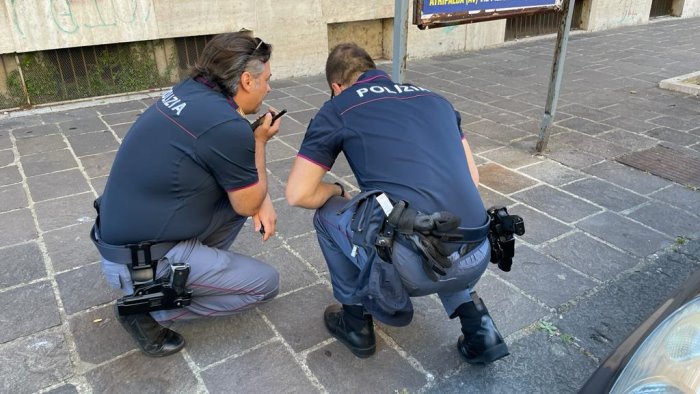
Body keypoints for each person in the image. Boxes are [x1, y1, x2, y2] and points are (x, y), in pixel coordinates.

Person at [285, 43, 509, 364]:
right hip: (478, 251)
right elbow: (472, 178)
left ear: (336, 86)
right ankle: (480, 327)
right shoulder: (435, 99)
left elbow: (298, 193)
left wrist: (336, 190)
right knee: (438, 215)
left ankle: (355, 323)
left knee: (326, 215)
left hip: (413, 269)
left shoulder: (339, 108)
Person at [91, 32, 281, 357]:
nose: (269, 88)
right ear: (247, 80)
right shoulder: (226, 126)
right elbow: (249, 201)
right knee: (266, 284)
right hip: (140, 263)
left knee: (236, 201)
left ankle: (189, 271)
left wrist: (257, 199)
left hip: (122, 241)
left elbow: (241, 194)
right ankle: (152, 307)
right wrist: (260, 142)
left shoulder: (189, 91)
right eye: (267, 80)